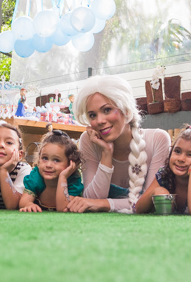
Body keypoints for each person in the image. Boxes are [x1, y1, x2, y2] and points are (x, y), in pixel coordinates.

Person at [69, 75, 171, 213]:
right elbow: (91, 199)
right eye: (92, 115)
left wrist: (105, 204)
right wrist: (106, 154)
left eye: (107, 110)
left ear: (126, 109)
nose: (99, 120)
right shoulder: (89, 140)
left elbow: (149, 201)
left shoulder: (158, 139)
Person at [19, 130, 83, 212]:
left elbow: (63, 208)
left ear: (70, 163)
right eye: (45, 158)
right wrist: (29, 204)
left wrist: (63, 177)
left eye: (56, 160)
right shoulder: (36, 176)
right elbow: (24, 201)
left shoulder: (72, 181)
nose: (48, 165)